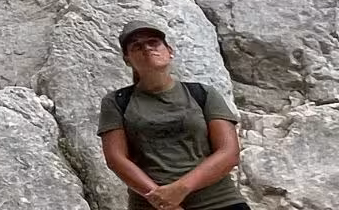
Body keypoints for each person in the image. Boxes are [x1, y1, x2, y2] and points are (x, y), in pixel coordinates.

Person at [99, 20, 247, 210]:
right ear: (127, 59)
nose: (146, 48)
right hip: (151, 204)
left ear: (169, 51)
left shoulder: (203, 94)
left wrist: (179, 189)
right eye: (136, 46)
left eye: (153, 42)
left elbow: (229, 152)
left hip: (218, 201)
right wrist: (161, 201)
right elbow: (116, 159)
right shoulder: (117, 102)